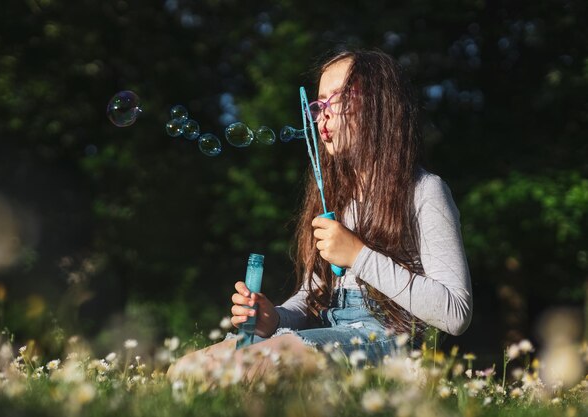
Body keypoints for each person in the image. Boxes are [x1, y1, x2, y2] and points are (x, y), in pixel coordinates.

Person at [168, 48, 473, 379]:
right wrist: (277, 318)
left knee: (249, 369)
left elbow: (455, 313)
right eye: (318, 104)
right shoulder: (335, 197)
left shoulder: (425, 191)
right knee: (184, 372)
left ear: (379, 105)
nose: (321, 115)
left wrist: (358, 255)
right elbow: (315, 298)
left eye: (336, 100)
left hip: (386, 342)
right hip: (329, 331)